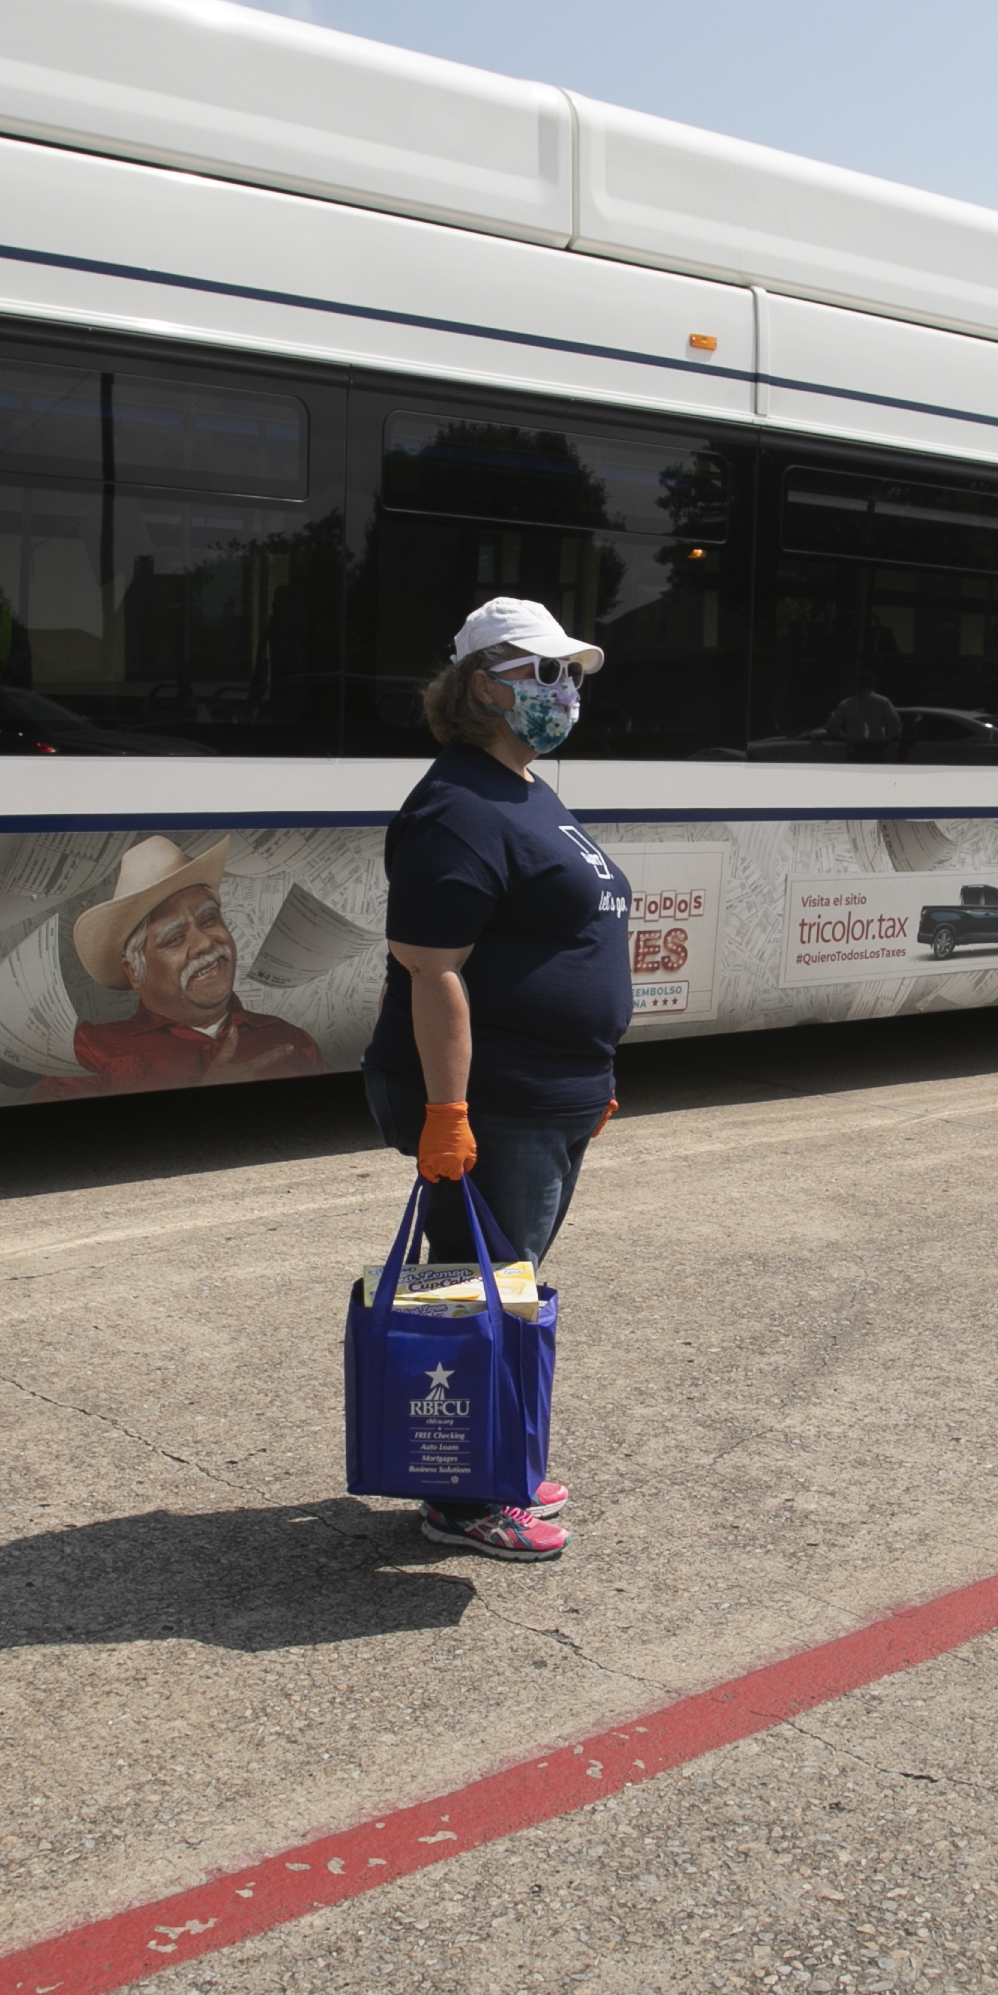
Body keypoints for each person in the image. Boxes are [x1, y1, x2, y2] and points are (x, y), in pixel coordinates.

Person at [365, 596, 630, 1564]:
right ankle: (465, 1496)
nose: (564, 691)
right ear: (482, 686)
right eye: (542, 673)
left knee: (505, 1288)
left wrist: (593, 1071)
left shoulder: (524, 789)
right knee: (477, 1295)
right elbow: (432, 969)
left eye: (571, 674)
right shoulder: (457, 807)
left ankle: (494, 1456)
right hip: (496, 1103)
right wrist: (445, 1112)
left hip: (550, 1096)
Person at [33, 836, 327, 1097]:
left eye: (209, 920)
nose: (204, 944)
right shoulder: (89, 1054)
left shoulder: (291, 1041)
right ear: (134, 971)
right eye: (174, 938)